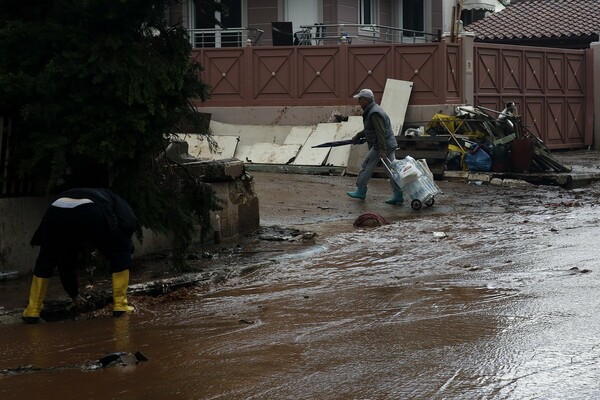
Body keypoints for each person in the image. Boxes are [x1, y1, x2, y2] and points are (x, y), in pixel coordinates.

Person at [22, 187, 140, 323]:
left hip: (56, 210)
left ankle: (32, 311)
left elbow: (64, 264)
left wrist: (74, 296)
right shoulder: (117, 201)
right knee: (121, 248)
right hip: (89, 210)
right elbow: (130, 222)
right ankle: (121, 306)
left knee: (48, 258)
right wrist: (126, 249)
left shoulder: (75, 234)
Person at [347, 88, 404, 205]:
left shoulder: (374, 113)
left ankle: (361, 191)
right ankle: (398, 195)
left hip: (381, 146)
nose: (358, 102)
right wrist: (358, 135)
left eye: (360, 99)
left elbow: (380, 132)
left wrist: (382, 150)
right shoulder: (373, 110)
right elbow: (370, 129)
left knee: (366, 166)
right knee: (391, 171)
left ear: (366, 100)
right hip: (387, 144)